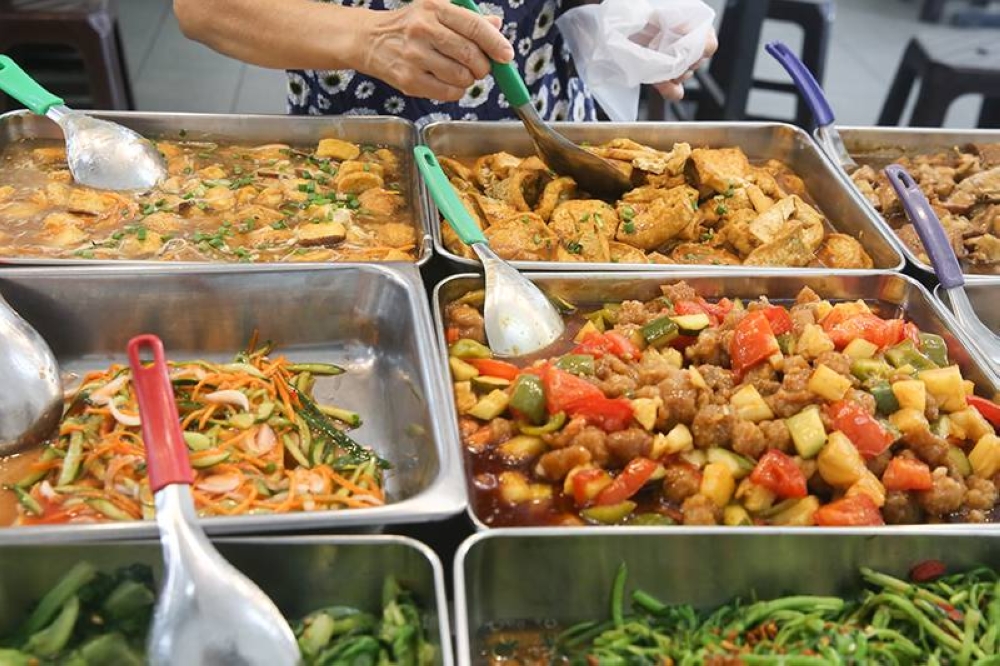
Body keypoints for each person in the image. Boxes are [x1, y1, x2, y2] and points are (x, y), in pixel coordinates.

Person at [174, 0, 717, 126]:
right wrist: (369, 37)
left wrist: (637, 23)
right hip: (353, 159)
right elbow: (203, 9)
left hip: (540, 143)